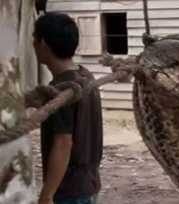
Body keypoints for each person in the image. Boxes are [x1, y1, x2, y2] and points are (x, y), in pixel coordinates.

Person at [33, 12, 103, 204]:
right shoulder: (85, 77)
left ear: (44, 45)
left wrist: (47, 195)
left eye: (34, 39)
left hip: (69, 192)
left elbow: (63, 143)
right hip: (89, 184)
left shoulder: (62, 91)